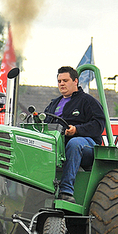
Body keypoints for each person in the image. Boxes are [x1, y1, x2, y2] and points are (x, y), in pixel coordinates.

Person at [43, 66, 105, 203]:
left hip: (87, 145)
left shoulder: (88, 101)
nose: (61, 84)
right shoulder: (54, 104)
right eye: (59, 81)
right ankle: (39, 188)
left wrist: (77, 130)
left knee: (74, 143)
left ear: (75, 81)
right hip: (58, 144)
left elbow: (99, 125)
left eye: (65, 80)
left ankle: (66, 190)